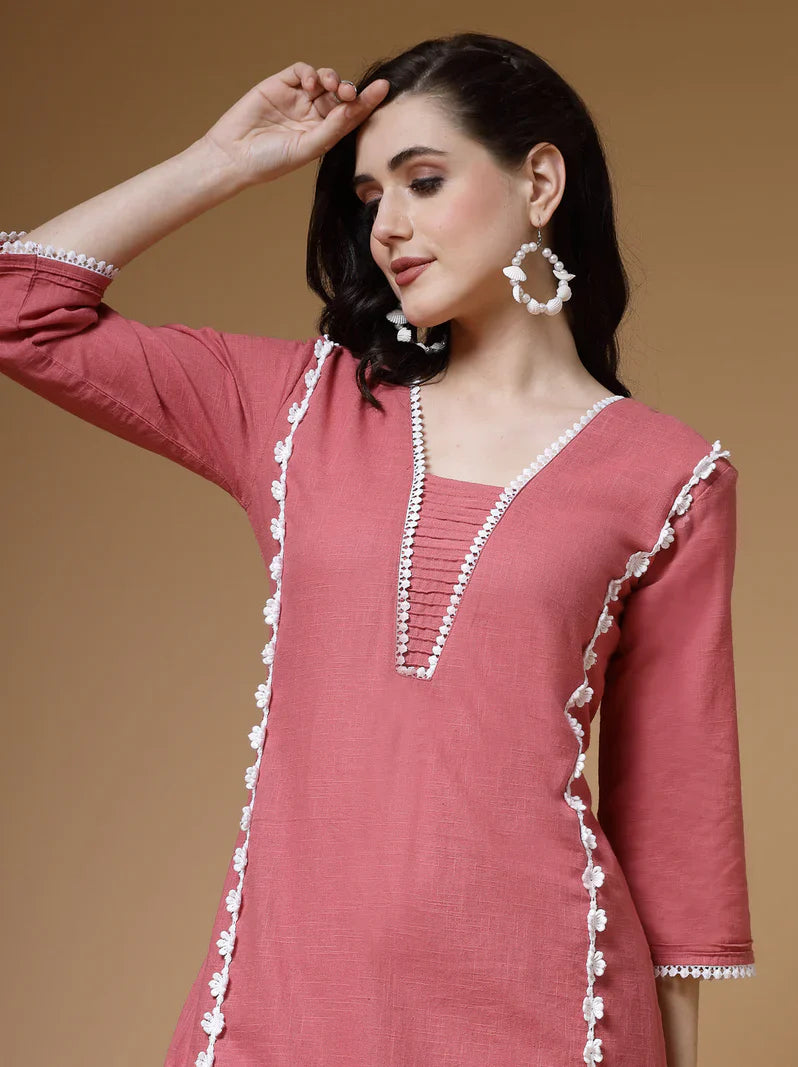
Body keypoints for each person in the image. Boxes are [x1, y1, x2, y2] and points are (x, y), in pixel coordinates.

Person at [0, 29, 755, 1067]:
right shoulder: (296, 409)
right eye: (367, 197)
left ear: (538, 183)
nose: (387, 227)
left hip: (548, 1012)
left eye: (423, 181)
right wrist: (220, 162)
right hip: (284, 1009)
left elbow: (675, 828)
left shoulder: (668, 477)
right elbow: (22, 310)